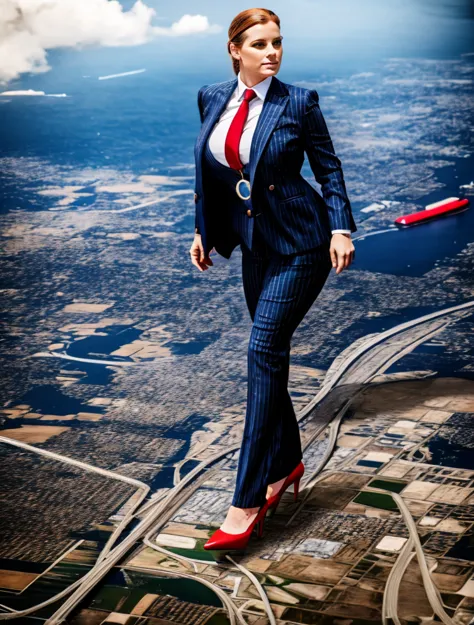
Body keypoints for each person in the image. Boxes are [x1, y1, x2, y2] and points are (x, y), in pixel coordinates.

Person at [189, 8, 356, 551]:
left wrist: (341, 229)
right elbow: (213, 173)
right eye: (259, 44)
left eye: (277, 43)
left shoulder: (298, 101)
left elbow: (328, 169)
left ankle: (247, 500)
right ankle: (286, 465)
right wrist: (203, 231)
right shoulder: (211, 96)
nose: (272, 52)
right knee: (271, 358)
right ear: (234, 49)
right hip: (254, 248)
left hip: (304, 245)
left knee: (262, 352)